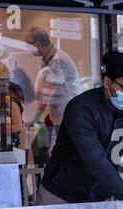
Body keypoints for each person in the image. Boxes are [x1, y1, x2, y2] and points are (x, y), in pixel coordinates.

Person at [36, 50, 123, 205]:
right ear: (107, 82)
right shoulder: (82, 108)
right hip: (61, 197)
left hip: (103, 198)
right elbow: (97, 162)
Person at [25, 27, 80, 157]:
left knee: (61, 154)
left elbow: (48, 93)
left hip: (66, 117)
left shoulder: (58, 60)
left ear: (37, 44)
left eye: (28, 46)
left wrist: (35, 119)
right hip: (60, 116)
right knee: (46, 150)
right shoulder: (50, 59)